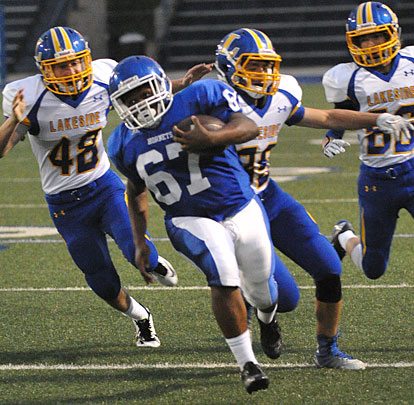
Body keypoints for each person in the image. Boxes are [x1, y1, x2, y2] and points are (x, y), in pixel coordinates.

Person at [173, 28, 412, 369]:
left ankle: (327, 351)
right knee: (285, 299)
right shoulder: (204, 103)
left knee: (329, 268)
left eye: (267, 66)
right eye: (253, 66)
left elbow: (326, 117)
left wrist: (378, 119)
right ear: (230, 66)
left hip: (268, 195)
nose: (263, 74)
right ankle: (258, 305)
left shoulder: (280, 95)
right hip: (231, 206)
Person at [0, 26, 212, 347]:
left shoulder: (102, 77)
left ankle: (153, 260)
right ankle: (141, 317)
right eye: (60, 65)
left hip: (104, 186)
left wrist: (181, 83)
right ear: (45, 70)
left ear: (86, 58)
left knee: (136, 250)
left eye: (75, 62)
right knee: (99, 277)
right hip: (65, 205)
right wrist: (13, 119)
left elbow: (137, 90)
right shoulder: (29, 99)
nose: (70, 70)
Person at [107, 55, 287, 394]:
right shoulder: (121, 143)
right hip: (187, 217)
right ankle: (247, 363)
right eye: (129, 99)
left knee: (263, 289)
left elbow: (248, 126)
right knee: (223, 276)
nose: (139, 104)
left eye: (144, 91)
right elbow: (135, 190)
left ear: (160, 84)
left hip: (239, 204)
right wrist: (140, 241)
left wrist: (214, 139)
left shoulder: (201, 96)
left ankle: (267, 318)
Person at [322, 2, 414, 280]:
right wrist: (330, 138)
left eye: (377, 35)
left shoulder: (411, 62)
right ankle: (344, 236)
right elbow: (338, 116)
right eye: (363, 38)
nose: (371, 43)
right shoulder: (347, 77)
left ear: (393, 34)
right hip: (377, 181)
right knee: (373, 268)